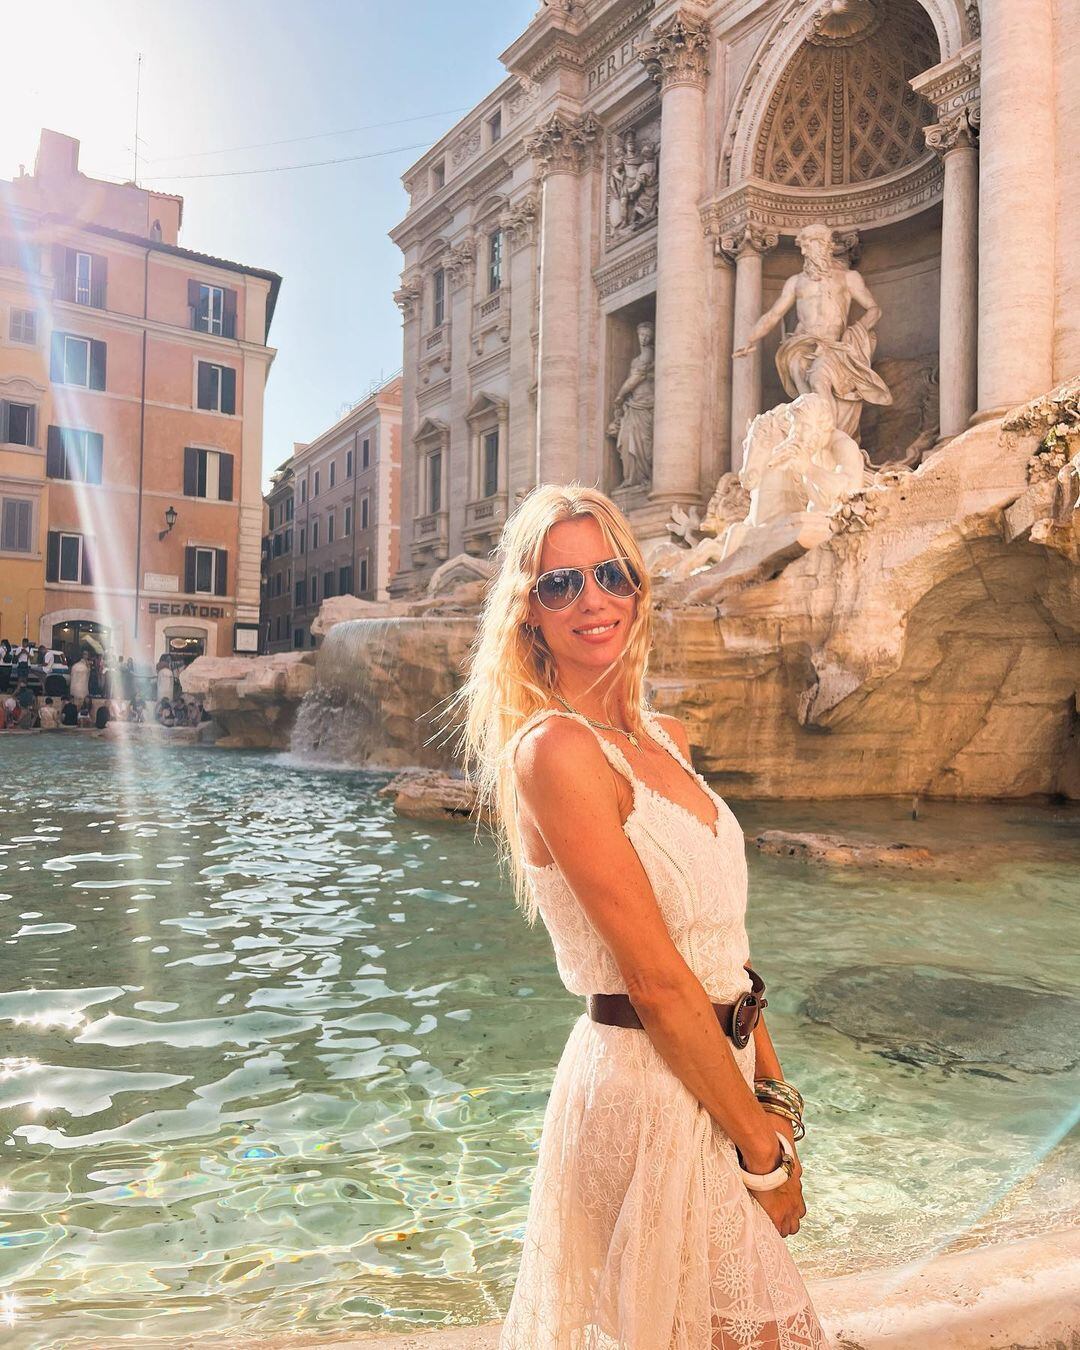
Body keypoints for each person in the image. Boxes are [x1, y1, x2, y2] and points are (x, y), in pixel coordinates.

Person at [456, 484, 827, 1349]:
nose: (591, 599)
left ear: (637, 587)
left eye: (609, 573)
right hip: (647, 1092)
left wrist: (770, 1097)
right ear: (528, 616)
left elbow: (723, 954)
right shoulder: (554, 751)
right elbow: (658, 984)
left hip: (719, 1079)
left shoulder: (667, 739)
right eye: (559, 585)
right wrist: (764, 1162)